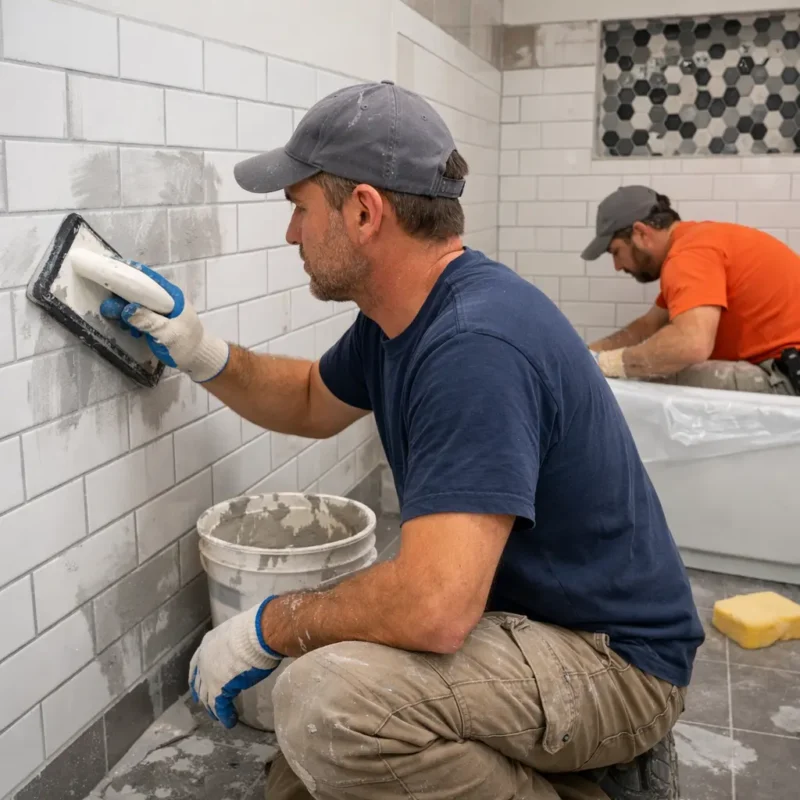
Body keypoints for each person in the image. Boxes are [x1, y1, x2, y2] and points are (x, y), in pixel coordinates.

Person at [102, 82, 703, 800]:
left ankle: (594, 782)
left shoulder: (472, 346)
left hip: (616, 664)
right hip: (534, 619)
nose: (291, 234)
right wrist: (197, 349)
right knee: (304, 773)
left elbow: (435, 607)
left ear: (363, 211)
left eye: (299, 209)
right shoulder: (401, 319)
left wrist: (270, 625)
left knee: (329, 705)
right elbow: (307, 400)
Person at [584, 186, 800, 395]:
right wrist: (585, 355)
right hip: (785, 369)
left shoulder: (688, 256)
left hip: (785, 378)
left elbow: (690, 344)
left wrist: (608, 364)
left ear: (641, 233)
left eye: (616, 252)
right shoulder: (698, 240)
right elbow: (648, 325)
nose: (617, 266)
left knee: (648, 374)